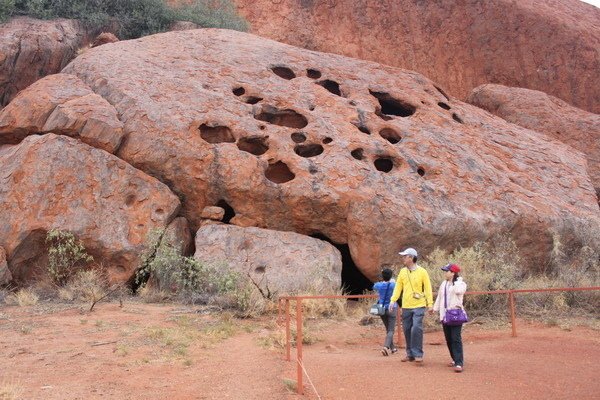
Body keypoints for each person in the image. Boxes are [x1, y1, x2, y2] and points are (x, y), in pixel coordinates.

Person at [389, 248, 433, 364]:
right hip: (406, 305)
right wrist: (392, 300)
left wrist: (430, 304)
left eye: (405, 256)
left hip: (419, 304)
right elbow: (398, 287)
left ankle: (418, 354)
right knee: (407, 329)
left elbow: (428, 288)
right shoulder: (403, 272)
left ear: (412, 258)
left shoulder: (423, 272)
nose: (403, 258)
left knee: (416, 328)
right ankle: (410, 354)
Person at [432, 263, 467, 373]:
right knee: (448, 338)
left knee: (455, 338)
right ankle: (454, 358)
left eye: (447, 271)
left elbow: (458, 291)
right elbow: (439, 297)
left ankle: (459, 362)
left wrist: (457, 280)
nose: (445, 273)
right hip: (445, 314)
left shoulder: (460, 284)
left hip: (455, 314)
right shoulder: (444, 284)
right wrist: (435, 309)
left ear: (453, 273)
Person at [372, 267, 397, 356]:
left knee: (388, 329)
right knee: (391, 330)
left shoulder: (379, 285)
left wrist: (382, 281)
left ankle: (393, 348)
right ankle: (386, 347)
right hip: (391, 308)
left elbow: (374, 286)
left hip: (381, 308)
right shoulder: (393, 285)